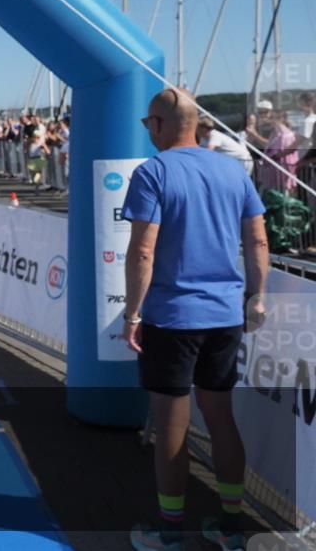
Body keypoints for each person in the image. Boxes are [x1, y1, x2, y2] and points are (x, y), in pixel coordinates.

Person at [123, 88, 268, 551]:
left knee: (171, 423)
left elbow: (143, 251)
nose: (148, 132)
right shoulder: (232, 170)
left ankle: (170, 531)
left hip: (172, 317)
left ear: (162, 125)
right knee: (221, 417)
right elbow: (258, 244)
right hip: (226, 314)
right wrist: (257, 297)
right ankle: (230, 526)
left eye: (149, 124)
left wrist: (132, 312)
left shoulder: (153, 173)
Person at [259, 110, 299, 193]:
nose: (271, 120)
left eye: (273, 118)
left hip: (282, 171)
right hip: (272, 170)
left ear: (281, 119)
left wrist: (272, 157)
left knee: (283, 194)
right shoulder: (275, 132)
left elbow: (287, 154)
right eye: (270, 118)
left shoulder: (286, 135)